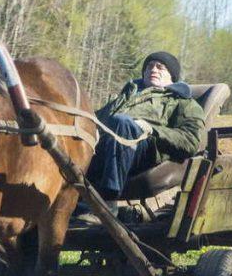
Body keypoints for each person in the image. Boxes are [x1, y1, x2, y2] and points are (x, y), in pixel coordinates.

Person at [84, 51, 206, 204]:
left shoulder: (181, 102)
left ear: (172, 76)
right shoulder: (125, 95)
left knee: (122, 123)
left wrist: (151, 129)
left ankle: (106, 202)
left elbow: (191, 141)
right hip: (106, 143)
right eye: (149, 66)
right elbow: (93, 119)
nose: (153, 70)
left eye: (160, 67)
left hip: (145, 149)